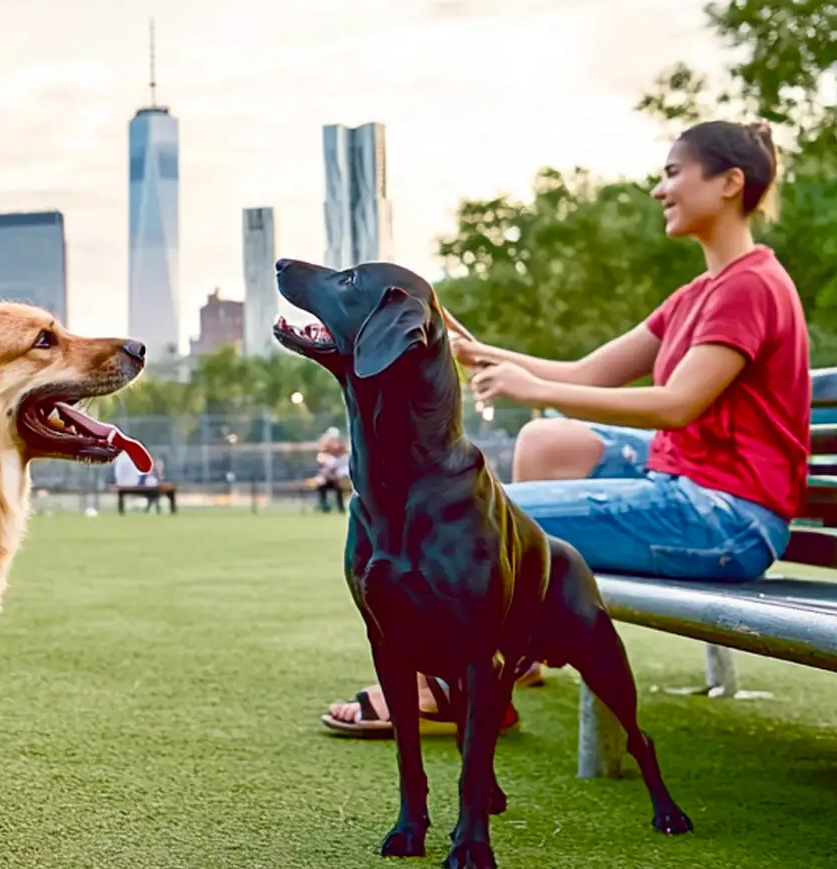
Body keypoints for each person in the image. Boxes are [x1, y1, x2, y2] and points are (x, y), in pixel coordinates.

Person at [325, 121, 808, 737]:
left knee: (491, 521)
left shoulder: (751, 287)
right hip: (694, 484)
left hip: (727, 516)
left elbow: (678, 405)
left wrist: (538, 390)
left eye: (673, 173)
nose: (660, 190)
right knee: (546, 440)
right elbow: (589, 372)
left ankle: (440, 685)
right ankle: (517, 648)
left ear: (730, 183)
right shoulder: (698, 293)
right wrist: (476, 353)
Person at [309, 428, 350, 513]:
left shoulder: (344, 456)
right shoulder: (323, 455)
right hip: (326, 480)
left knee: (339, 487)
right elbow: (324, 469)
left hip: (339, 480)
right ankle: (324, 506)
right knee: (321, 486)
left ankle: (341, 508)